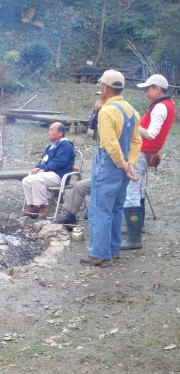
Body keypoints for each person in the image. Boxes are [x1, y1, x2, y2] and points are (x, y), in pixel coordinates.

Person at [81, 69, 142, 267]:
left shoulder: (107, 111)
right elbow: (136, 141)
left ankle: (99, 253)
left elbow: (110, 143)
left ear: (105, 88)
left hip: (109, 164)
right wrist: (131, 163)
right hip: (124, 166)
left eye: (101, 87)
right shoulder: (132, 110)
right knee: (116, 206)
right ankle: (113, 249)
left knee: (100, 208)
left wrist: (123, 165)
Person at [121, 74, 176, 250]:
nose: (146, 93)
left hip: (143, 151)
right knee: (138, 189)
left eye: (148, 89)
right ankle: (138, 227)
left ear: (157, 89)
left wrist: (132, 125)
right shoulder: (167, 105)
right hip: (148, 152)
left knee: (132, 191)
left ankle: (134, 237)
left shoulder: (160, 108)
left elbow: (152, 134)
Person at [22, 122, 75, 218]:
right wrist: (38, 168)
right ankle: (34, 205)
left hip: (59, 175)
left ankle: (44, 205)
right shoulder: (50, 146)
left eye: (52, 130)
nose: (49, 132)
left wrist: (45, 169)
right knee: (27, 179)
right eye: (49, 130)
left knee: (36, 179)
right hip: (49, 174)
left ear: (60, 133)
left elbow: (60, 162)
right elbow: (43, 160)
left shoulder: (65, 144)